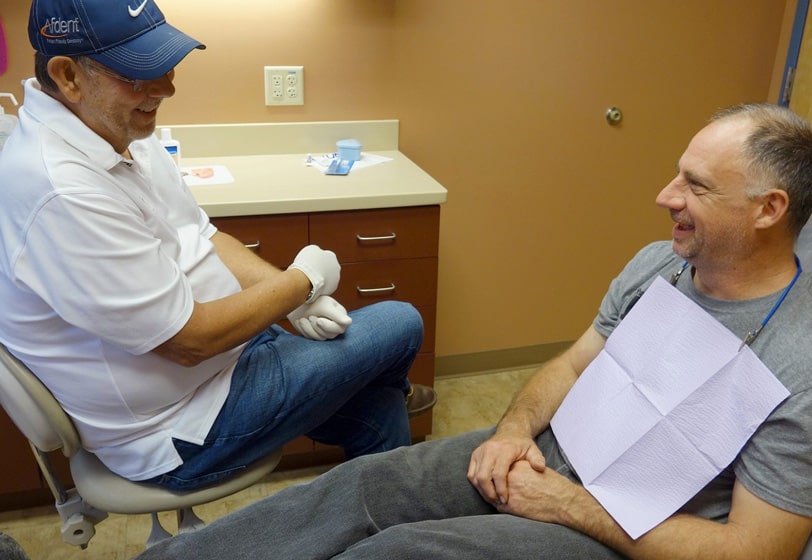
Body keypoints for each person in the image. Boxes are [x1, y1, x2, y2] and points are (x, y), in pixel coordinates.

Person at [133, 102, 812, 560]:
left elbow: (754, 551)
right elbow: (574, 366)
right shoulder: (661, 264)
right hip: (551, 456)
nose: (666, 196)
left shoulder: (798, 364)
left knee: (398, 552)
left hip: (631, 531)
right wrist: (513, 433)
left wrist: (570, 505)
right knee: (365, 486)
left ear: (768, 209)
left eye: (697, 186)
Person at [0, 0, 436, 492]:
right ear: (68, 76)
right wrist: (302, 283)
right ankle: (391, 394)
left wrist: (292, 299)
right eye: (139, 74)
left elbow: (201, 235)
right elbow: (190, 343)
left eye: (166, 65)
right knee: (400, 323)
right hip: (176, 427)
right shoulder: (59, 189)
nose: (167, 88)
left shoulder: (113, 128)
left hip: (229, 359)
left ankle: (388, 517)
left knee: (376, 409)